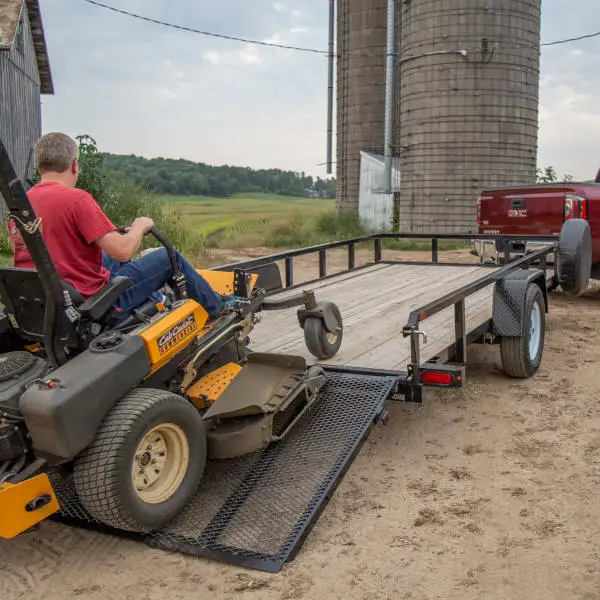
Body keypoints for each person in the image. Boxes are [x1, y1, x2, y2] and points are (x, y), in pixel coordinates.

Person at [9, 132, 231, 319]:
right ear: (74, 165)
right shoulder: (77, 200)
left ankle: (156, 297)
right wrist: (140, 227)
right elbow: (124, 252)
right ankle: (218, 308)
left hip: (48, 303)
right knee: (166, 256)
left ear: (39, 167)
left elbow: (60, 247)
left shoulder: (21, 208)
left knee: (107, 257)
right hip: (92, 306)